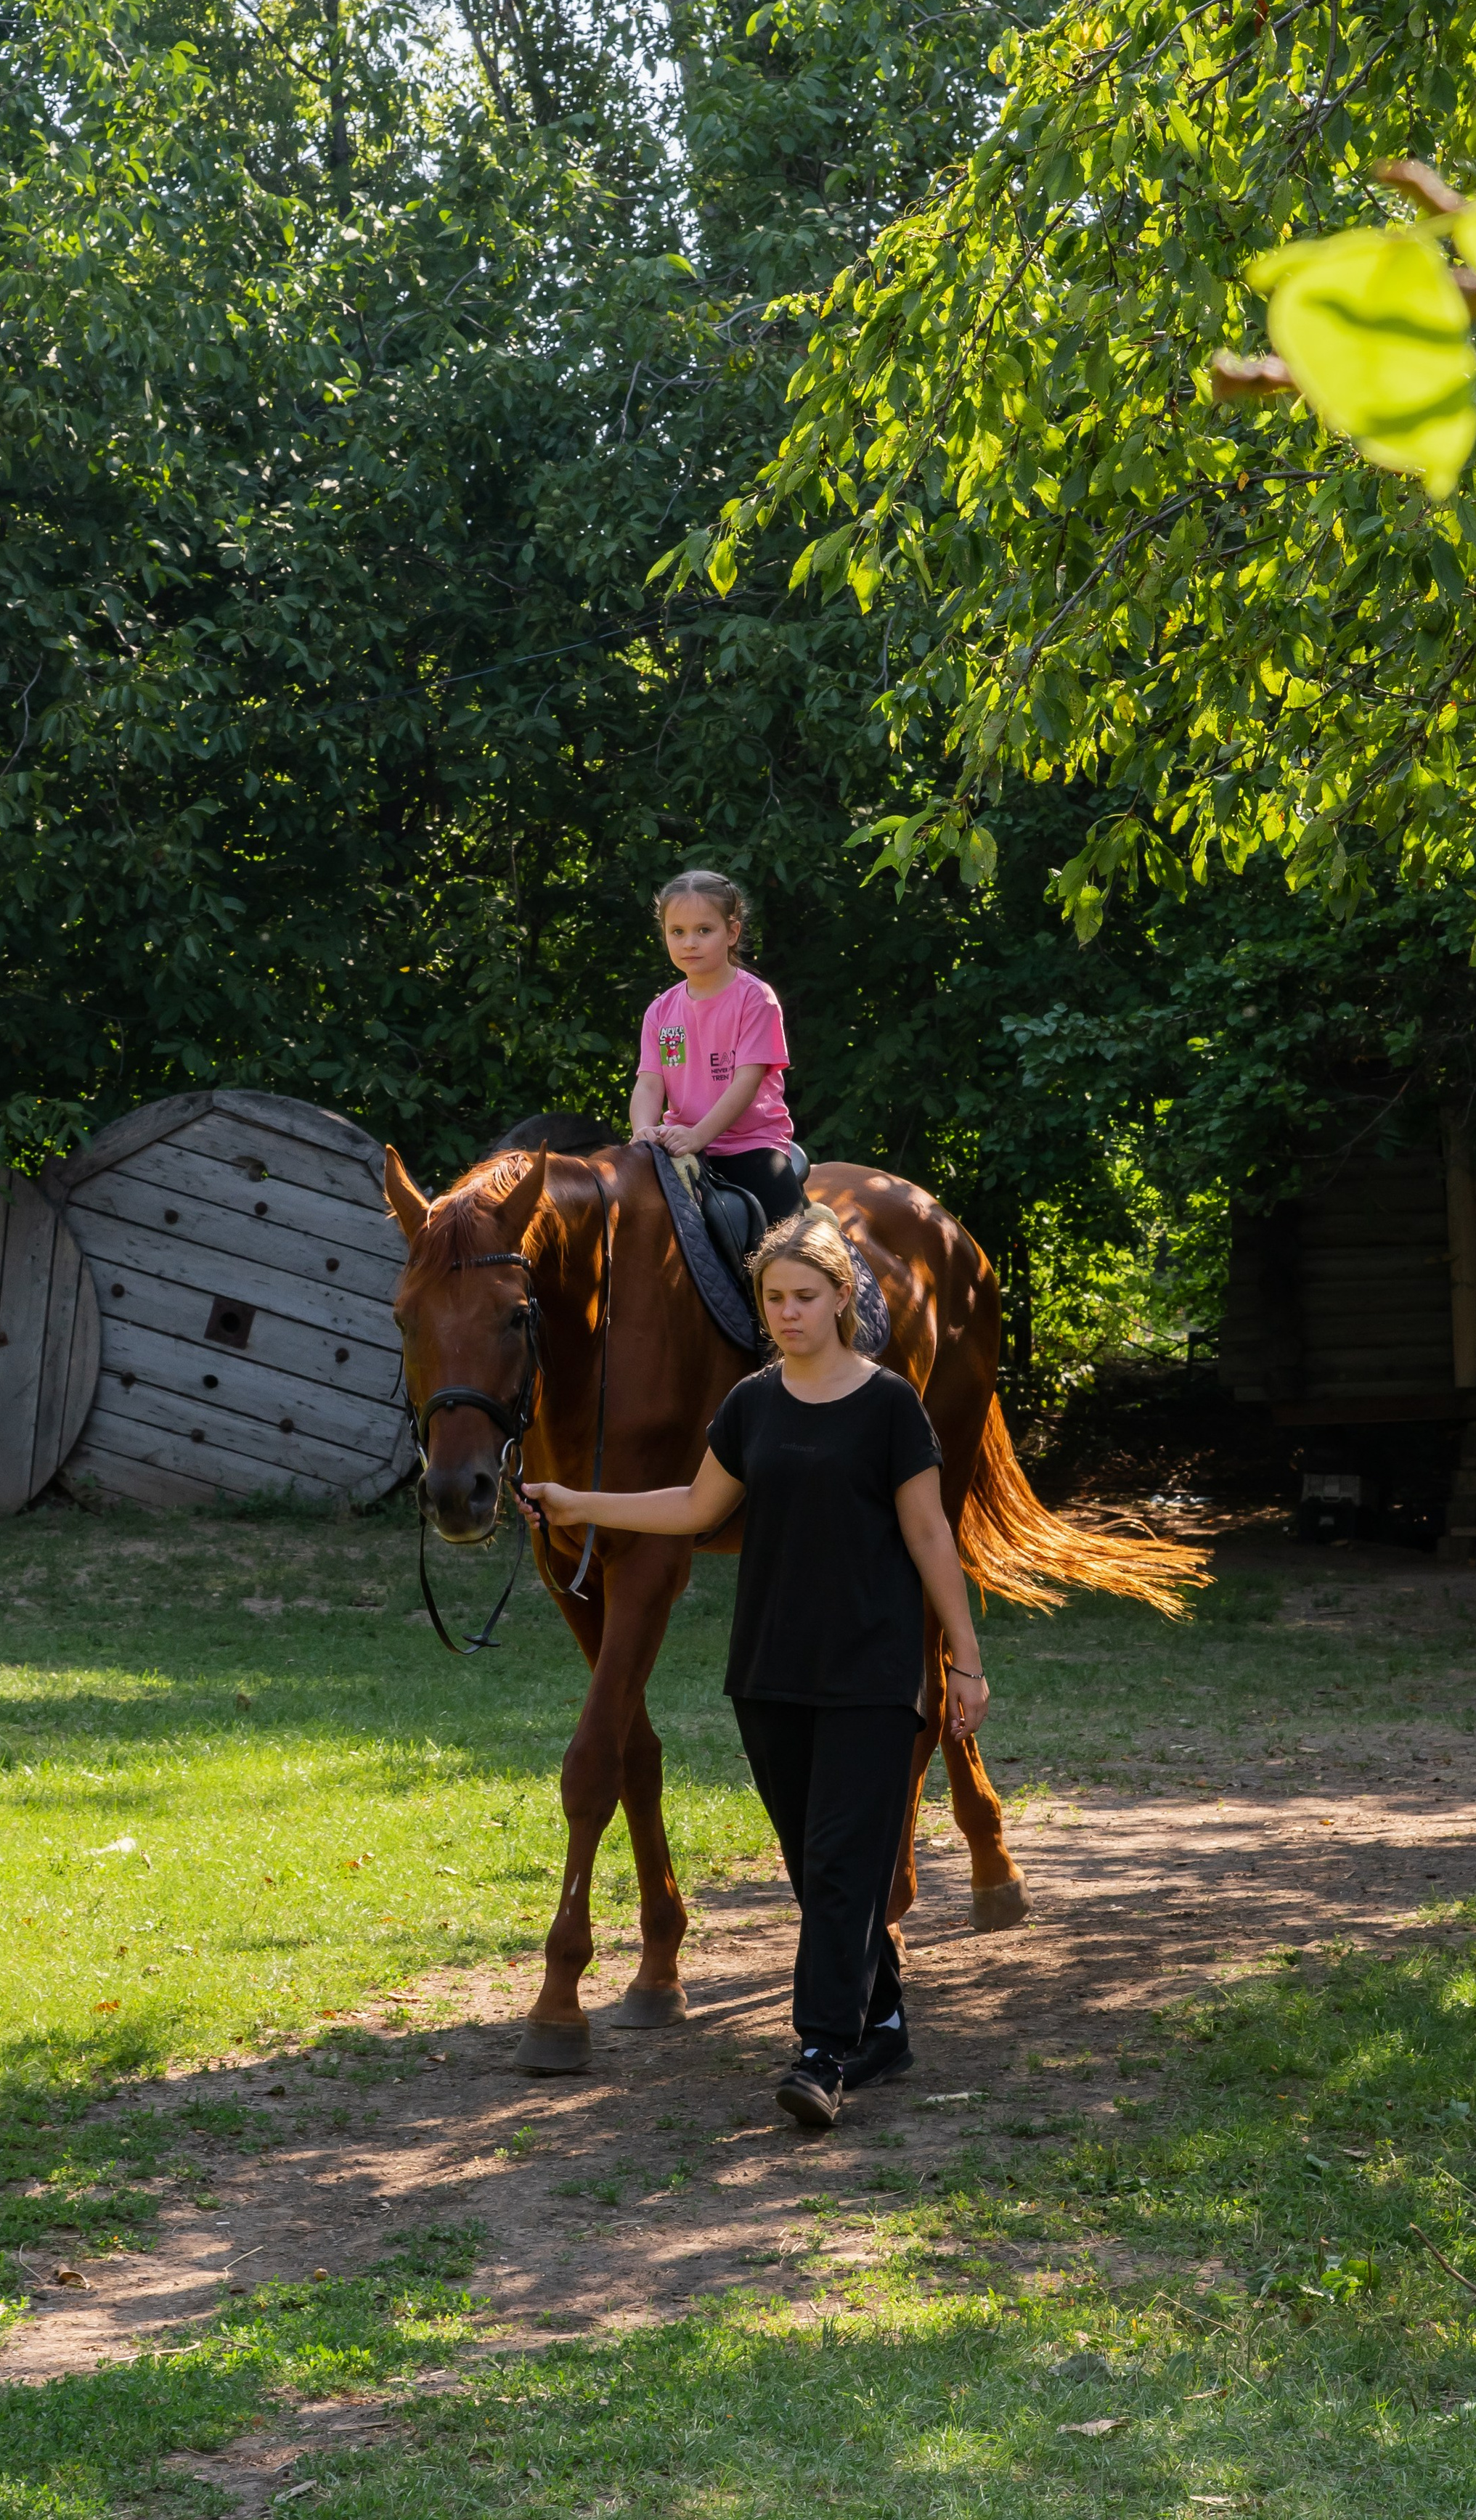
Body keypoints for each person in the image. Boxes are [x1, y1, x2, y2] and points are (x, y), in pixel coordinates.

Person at [518, 1208, 991, 2132]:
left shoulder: (890, 1405)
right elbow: (695, 1506)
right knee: (819, 1871)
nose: (787, 1313)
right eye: (773, 1298)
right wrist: (579, 1501)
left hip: (872, 1670)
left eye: (804, 1296)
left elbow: (932, 1534)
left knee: (842, 1864)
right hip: (770, 1672)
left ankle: (821, 2052)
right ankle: (883, 2023)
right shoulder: (751, 1404)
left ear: (841, 1297)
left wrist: (963, 1663)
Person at [629, 867, 803, 1227]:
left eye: (704, 930)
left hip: (750, 1146)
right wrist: (643, 1131)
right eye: (678, 932)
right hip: (677, 1144)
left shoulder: (756, 999)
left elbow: (746, 1083)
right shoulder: (660, 1011)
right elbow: (649, 1083)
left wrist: (698, 1136)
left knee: (789, 1240)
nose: (689, 943)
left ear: (732, 932)